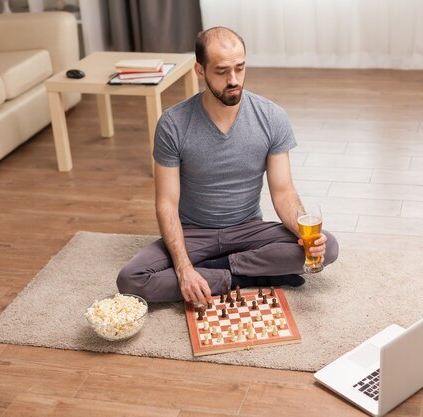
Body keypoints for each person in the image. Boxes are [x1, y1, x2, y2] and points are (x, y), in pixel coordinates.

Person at [117, 27, 338, 305]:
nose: (233, 80)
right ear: (200, 70)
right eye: (221, 71)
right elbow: (166, 204)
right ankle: (246, 276)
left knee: (327, 247)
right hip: (194, 233)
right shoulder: (172, 124)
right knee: (132, 279)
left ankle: (218, 270)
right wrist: (184, 268)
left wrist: (306, 237)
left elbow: (283, 193)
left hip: (248, 229)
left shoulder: (271, 117)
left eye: (240, 68)